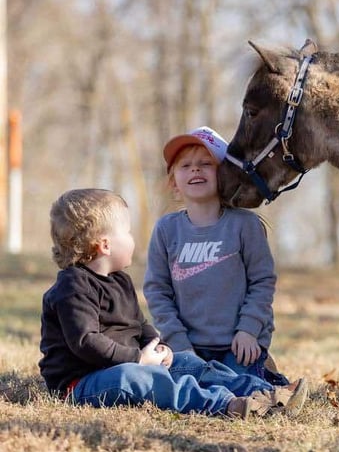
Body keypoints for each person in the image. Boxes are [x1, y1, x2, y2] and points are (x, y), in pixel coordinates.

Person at [38, 188, 307, 419]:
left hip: (130, 363)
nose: (133, 239)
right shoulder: (72, 287)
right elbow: (86, 342)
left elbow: (138, 325)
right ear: (105, 245)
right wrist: (138, 359)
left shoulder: (119, 280)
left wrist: (158, 347)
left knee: (189, 363)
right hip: (84, 382)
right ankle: (227, 405)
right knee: (142, 379)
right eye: (128, 232)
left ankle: (263, 392)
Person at [143, 126, 291, 387]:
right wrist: (178, 344)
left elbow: (262, 283)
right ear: (173, 181)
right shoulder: (166, 229)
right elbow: (157, 291)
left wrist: (248, 330)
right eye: (185, 165)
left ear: (224, 174)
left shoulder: (245, 226)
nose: (195, 170)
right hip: (188, 346)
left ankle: (263, 377)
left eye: (205, 164)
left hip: (239, 343)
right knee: (187, 382)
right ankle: (260, 385)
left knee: (230, 382)